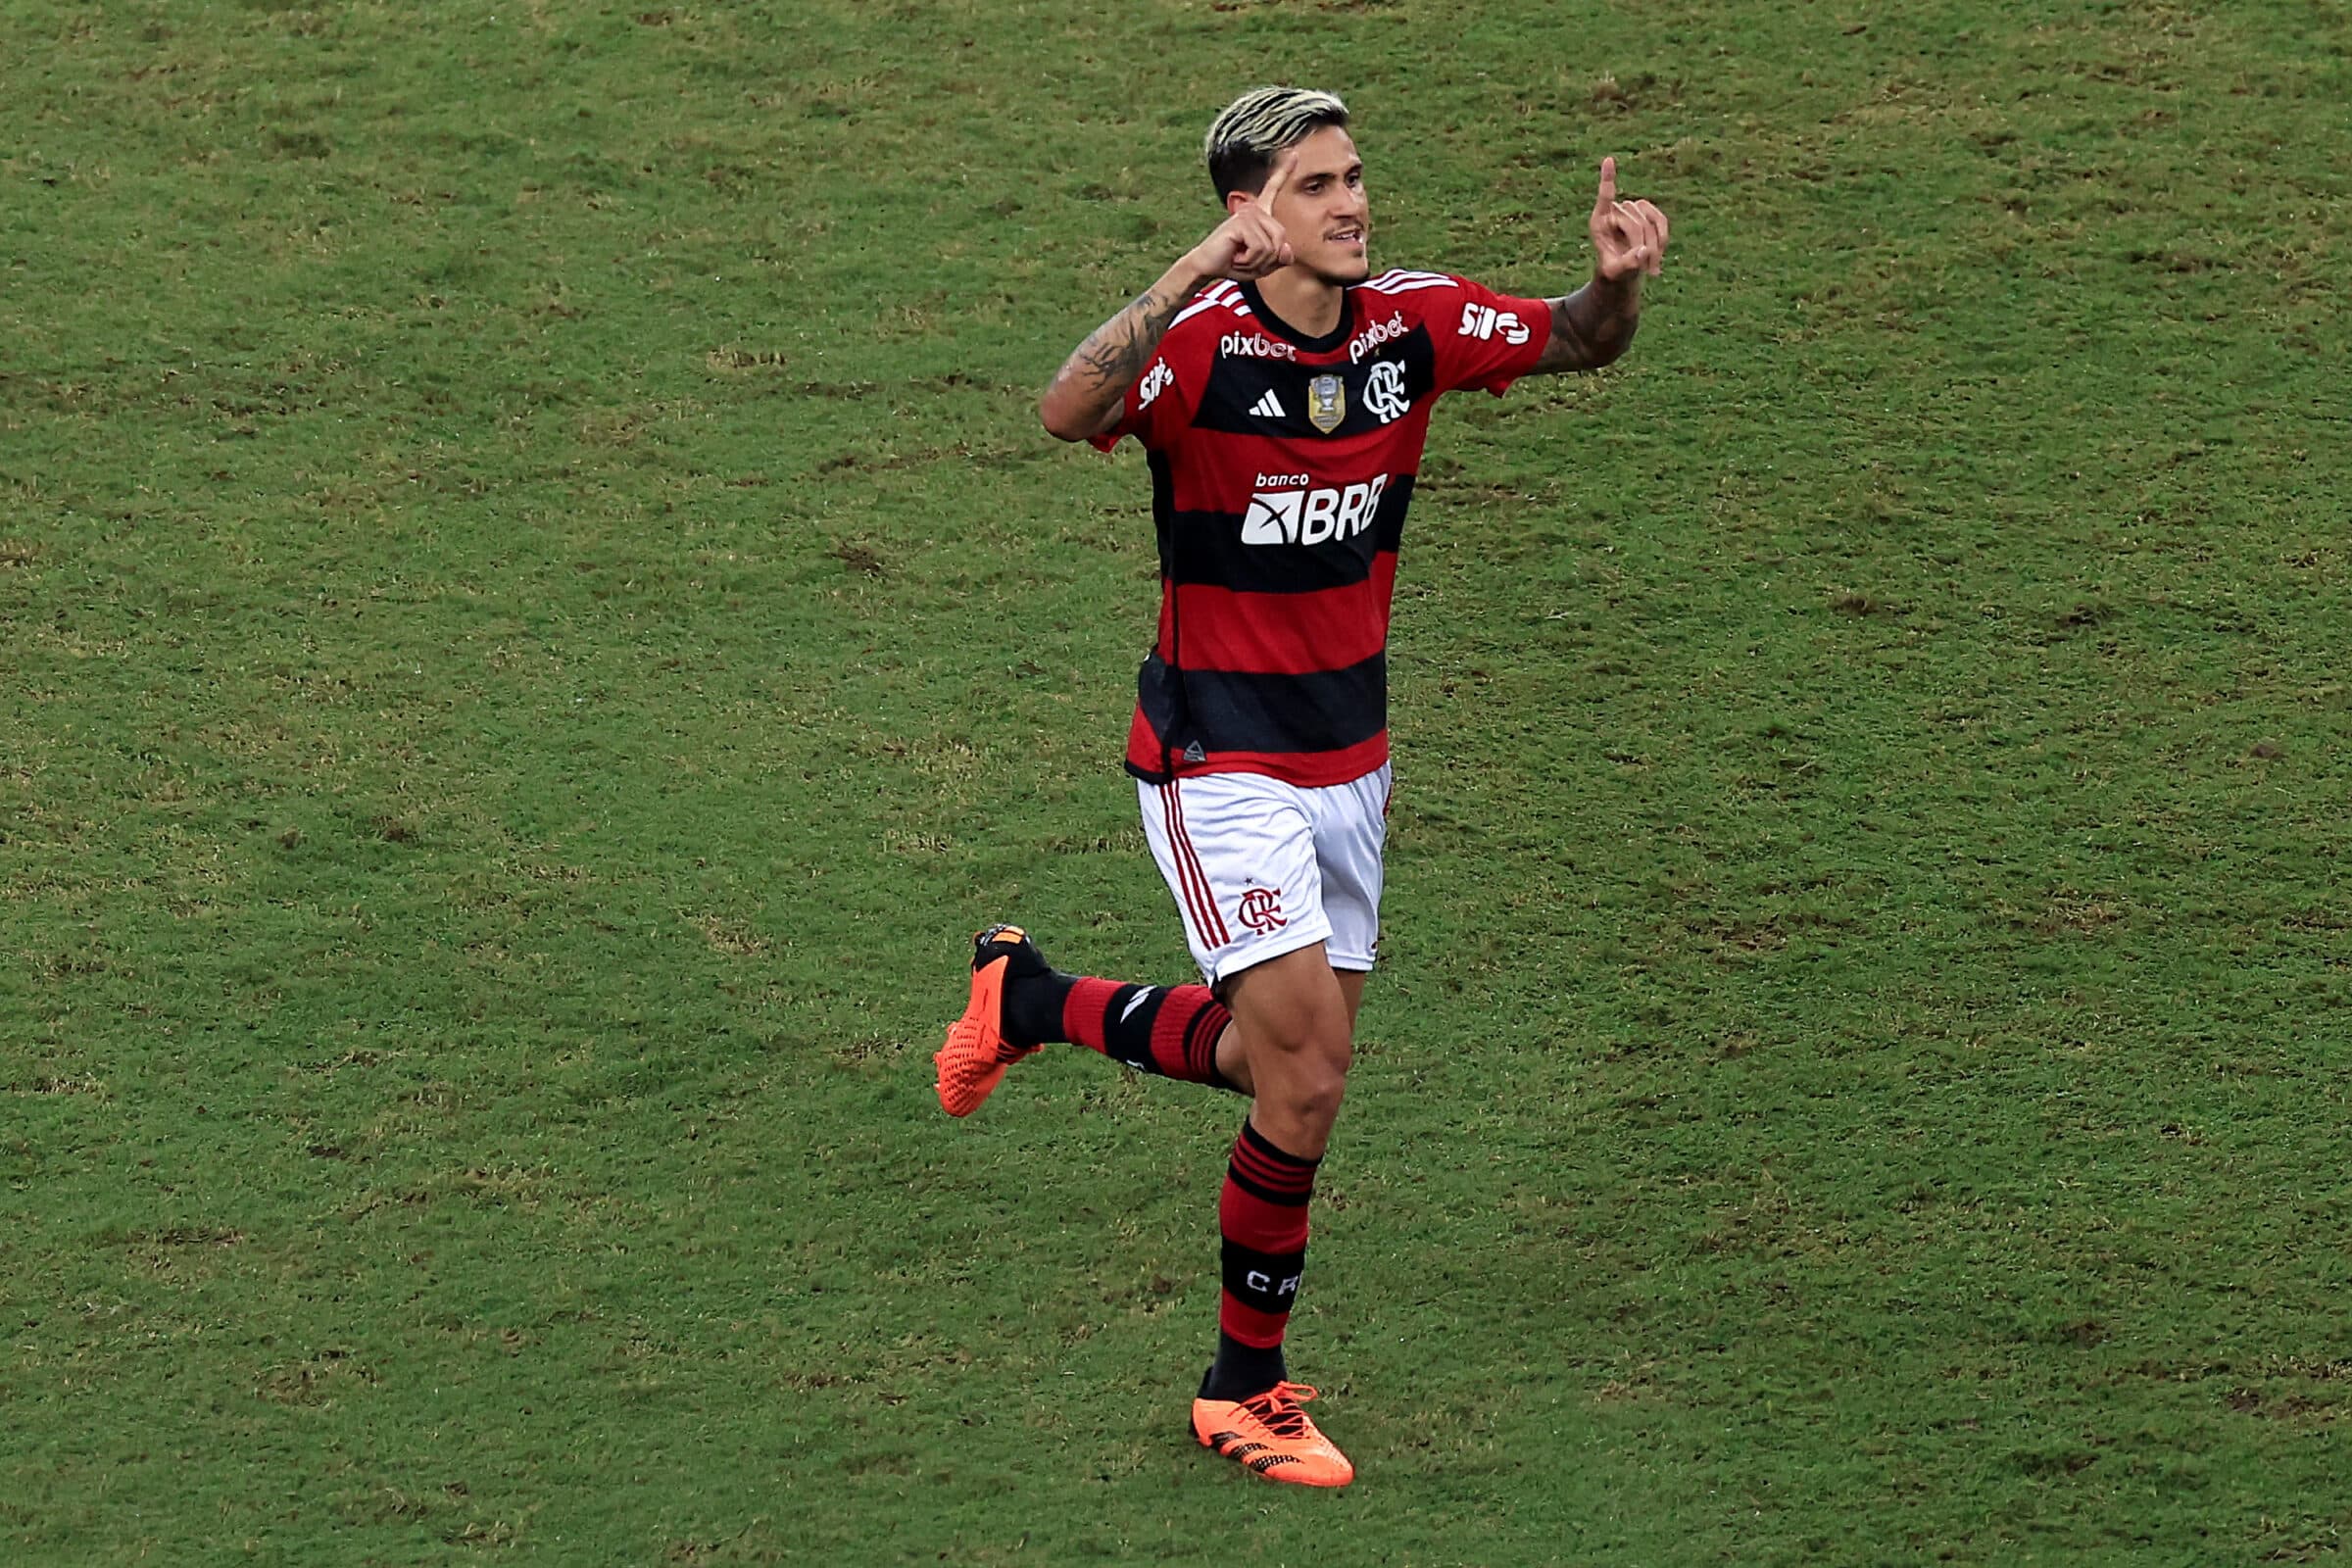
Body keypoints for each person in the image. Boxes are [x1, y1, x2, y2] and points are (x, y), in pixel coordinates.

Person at [935, 84, 1668, 1488]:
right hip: (1219, 766)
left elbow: (1577, 340)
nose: (1351, 203)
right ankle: (1240, 1392)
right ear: (1250, 211)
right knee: (1314, 1079)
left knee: (1274, 1065)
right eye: (1317, 185)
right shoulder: (1199, 352)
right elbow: (1063, 407)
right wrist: (1185, 276)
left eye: (1353, 178)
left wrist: (1614, 285)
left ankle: (1025, 999)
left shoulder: (1412, 324)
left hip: (1353, 769)